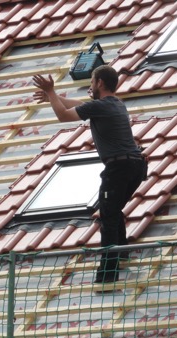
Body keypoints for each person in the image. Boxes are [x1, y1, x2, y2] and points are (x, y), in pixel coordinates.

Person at [32, 66, 147, 288]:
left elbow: (63, 116)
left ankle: (108, 273)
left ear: (100, 83)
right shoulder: (115, 104)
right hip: (135, 166)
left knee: (108, 215)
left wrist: (51, 92)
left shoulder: (101, 106)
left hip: (119, 167)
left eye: (92, 81)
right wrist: (51, 96)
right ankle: (122, 256)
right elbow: (76, 106)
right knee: (113, 211)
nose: (90, 86)